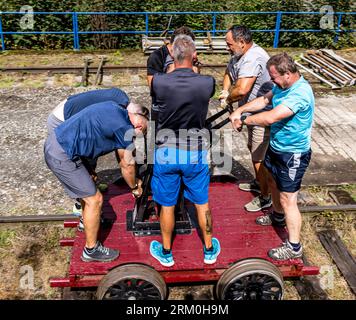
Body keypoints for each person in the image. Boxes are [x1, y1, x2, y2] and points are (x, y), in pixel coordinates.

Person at [229, 53, 314, 260]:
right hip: (276, 147)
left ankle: (294, 247)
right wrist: (240, 109)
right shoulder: (282, 86)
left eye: (274, 77)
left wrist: (244, 121)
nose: (272, 81)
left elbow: (271, 117)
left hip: (292, 154)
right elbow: (264, 100)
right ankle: (277, 217)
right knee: (273, 183)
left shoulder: (299, 93)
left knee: (288, 199)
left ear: (288, 74)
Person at [44, 101, 149, 262]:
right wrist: (135, 187)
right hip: (62, 154)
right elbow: (127, 164)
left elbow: (88, 131)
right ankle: (91, 250)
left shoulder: (115, 108)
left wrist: (88, 168)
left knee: (89, 187)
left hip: (59, 141)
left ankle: (85, 222)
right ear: (139, 126)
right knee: (95, 199)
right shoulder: (124, 129)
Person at [149, 34, 220, 267]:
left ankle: (166, 253)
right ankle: (209, 249)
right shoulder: (207, 82)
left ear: (171, 54)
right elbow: (197, 84)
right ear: (195, 55)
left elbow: (163, 90)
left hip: (166, 151)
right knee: (202, 202)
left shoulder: (158, 82)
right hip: (195, 151)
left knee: (167, 204)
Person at [47, 88, 140, 214]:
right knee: (77, 166)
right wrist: (131, 178)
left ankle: (90, 189)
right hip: (62, 119)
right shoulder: (120, 117)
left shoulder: (121, 99)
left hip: (67, 107)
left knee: (90, 157)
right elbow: (122, 154)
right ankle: (81, 207)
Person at [220, 25, 273, 212]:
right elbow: (228, 72)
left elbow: (242, 89)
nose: (228, 47)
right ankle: (260, 183)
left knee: (259, 157)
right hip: (249, 112)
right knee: (253, 149)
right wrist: (225, 90)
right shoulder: (239, 55)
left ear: (242, 42)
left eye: (229, 44)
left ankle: (266, 198)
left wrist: (228, 98)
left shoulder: (252, 58)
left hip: (262, 113)